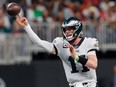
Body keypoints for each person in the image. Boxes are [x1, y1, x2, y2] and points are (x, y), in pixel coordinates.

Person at [16, 15, 99, 87]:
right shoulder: (61, 44)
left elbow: (93, 64)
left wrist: (76, 57)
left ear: (77, 29)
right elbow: (39, 43)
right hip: (75, 84)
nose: (67, 32)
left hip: (91, 84)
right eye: (65, 29)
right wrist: (26, 27)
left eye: (70, 29)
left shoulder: (89, 42)